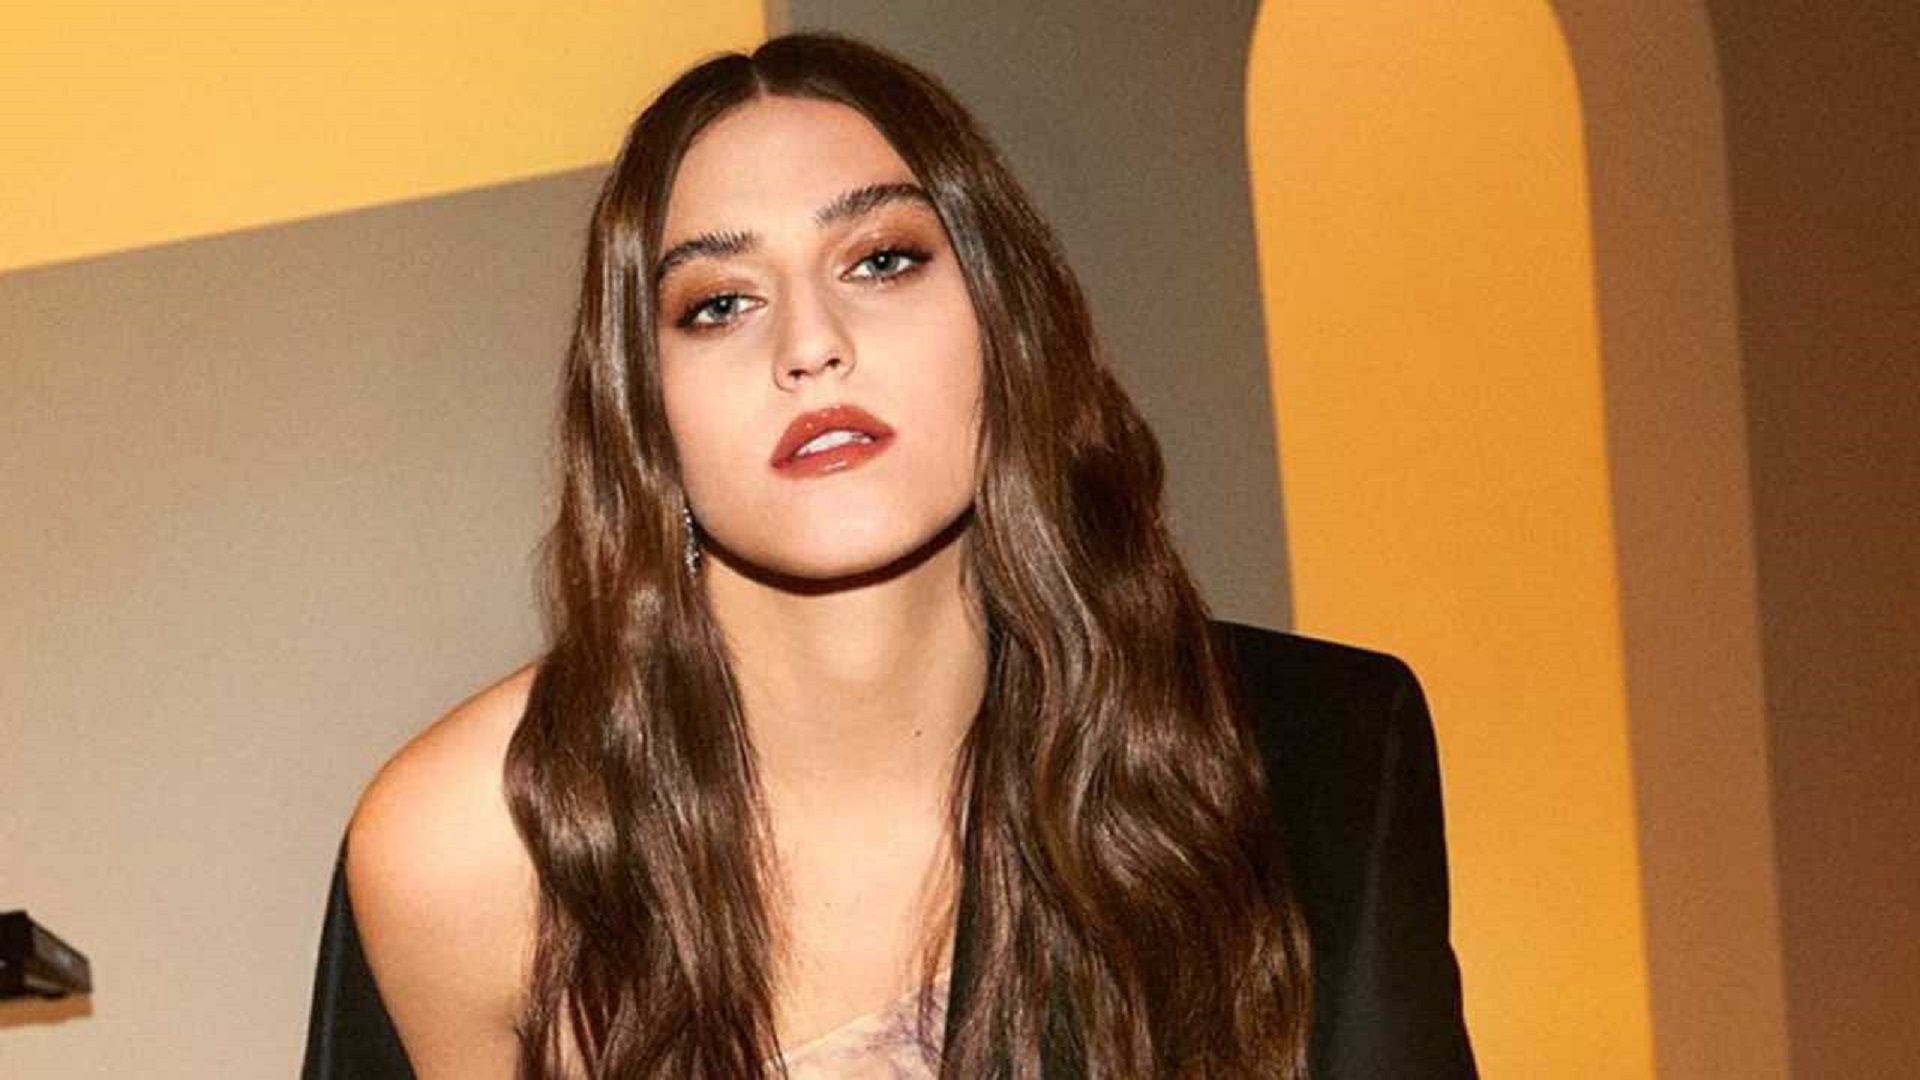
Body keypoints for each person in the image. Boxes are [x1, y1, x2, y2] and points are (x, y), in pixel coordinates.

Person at [305, 30, 1475, 1079]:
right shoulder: (473, 848)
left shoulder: (1315, 756)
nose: (811, 343)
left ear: (1005, 317)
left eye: (881, 259)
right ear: (641, 406)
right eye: (717, 304)